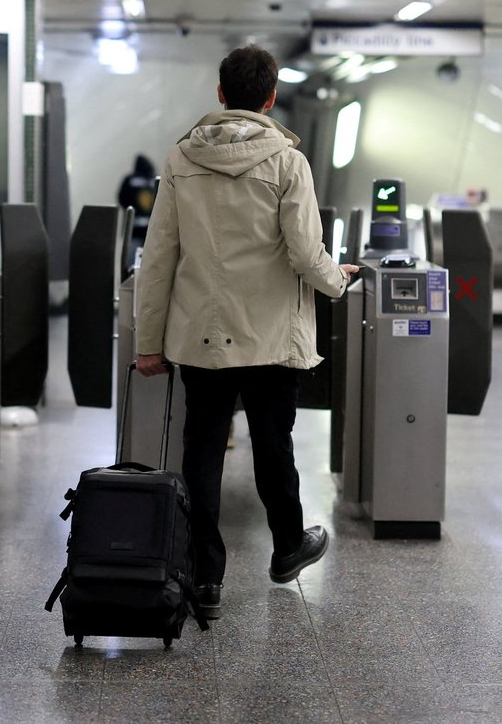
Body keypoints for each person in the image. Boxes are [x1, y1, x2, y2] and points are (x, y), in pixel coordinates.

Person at [133, 45, 360, 620]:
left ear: (219, 93)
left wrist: (148, 343)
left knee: (203, 452)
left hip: (202, 337)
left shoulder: (182, 159)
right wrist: (339, 282)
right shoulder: (288, 163)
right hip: (270, 338)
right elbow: (307, 254)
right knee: (272, 446)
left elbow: (159, 256)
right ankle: (287, 548)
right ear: (271, 96)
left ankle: (204, 577)